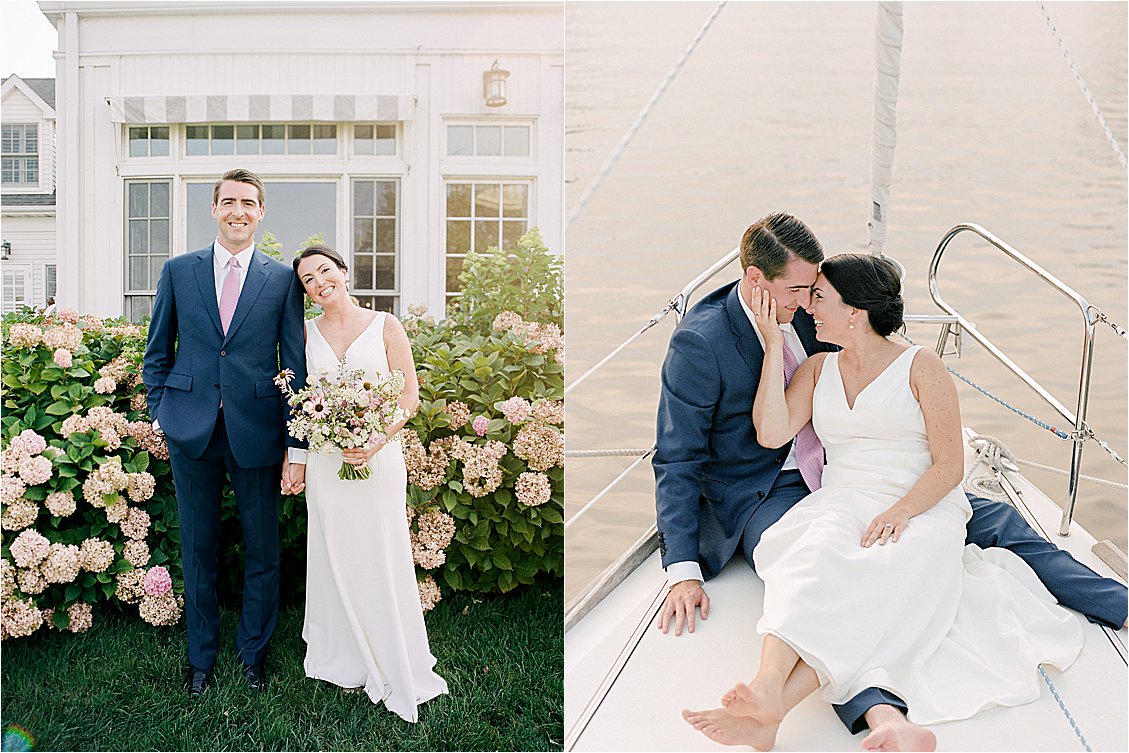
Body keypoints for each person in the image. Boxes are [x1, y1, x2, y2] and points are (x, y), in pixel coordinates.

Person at [653, 212, 1128, 750]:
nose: (808, 304)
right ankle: (877, 716)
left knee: (999, 522)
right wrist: (682, 569)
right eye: (800, 291)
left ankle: (1121, 604)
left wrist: (904, 505)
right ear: (759, 282)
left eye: (816, 291)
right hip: (770, 490)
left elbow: (935, 446)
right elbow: (679, 456)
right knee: (830, 570)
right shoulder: (704, 340)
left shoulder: (826, 314)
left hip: (885, 482)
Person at [143, 168, 308, 698]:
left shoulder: (282, 280)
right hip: (190, 429)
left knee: (263, 550)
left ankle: (254, 655)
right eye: (229, 201)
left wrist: (295, 442)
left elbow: (296, 366)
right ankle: (200, 661)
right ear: (214, 209)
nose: (239, 211)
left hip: (258, 431)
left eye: (249, 203)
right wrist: (160, 413)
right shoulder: (177, 271)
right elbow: (157, 354)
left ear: (261, 213)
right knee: (198, 548)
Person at [290, 245, 448, 722]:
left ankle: (389, 650)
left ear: (342, 272)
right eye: (308, 280)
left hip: (378, 460)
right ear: (305, 292)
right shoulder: (302, 334)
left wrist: (375, 440)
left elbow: (408, 395)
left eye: (324, 271)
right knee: (333, 548)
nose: (319, 282)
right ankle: (340, 653)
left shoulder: (385, 325)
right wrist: (308, 450)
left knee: (380, 548)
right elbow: (298, 401)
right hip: (325, 459)